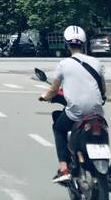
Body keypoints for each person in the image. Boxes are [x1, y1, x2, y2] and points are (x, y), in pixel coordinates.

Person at [39, 26, 106, 182]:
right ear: (84, 43)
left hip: (76, 112)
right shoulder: (96, 62)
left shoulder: (64, 64)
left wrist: (44, 97)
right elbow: (103, 90)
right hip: (96, 112)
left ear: (66, 44)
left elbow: (53, 90)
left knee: (58, 128)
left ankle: (64, 168)